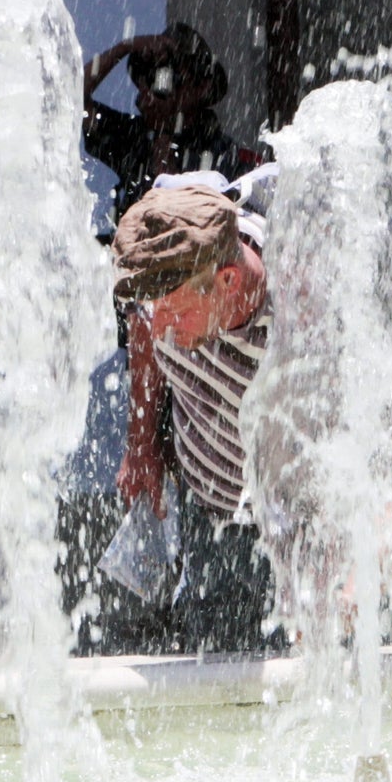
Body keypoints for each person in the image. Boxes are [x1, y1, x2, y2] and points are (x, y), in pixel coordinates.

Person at [110, 174, 276, 652]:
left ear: (228, 281)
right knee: (216, 682)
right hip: (210, 510)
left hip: (301, 532)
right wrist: (141, 443)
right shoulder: (175, 261)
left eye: (173, 312)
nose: (158, 325)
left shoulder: (301, 311)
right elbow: (143, 330)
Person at [83, 22, 260, 229]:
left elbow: (182, 221)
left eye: (170, 76)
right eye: (150, 76)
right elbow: (72, 100)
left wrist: (164, 133)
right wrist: (125, 47)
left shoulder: (228, 157)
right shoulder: (131, 136)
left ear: (201, 87)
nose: (158, 84)